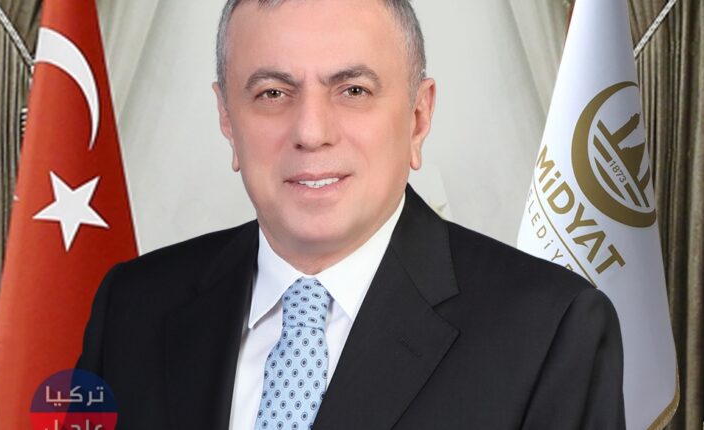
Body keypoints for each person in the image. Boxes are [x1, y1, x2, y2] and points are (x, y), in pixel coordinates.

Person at [77, 0, 626, 429]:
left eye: (353, 90)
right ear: (227, 117)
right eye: (272, 93)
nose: (311, 132)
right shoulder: (131, 307)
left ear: (418, 116)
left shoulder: (551, 331)